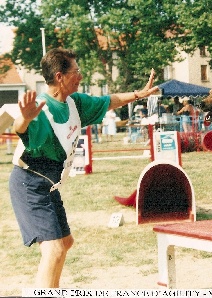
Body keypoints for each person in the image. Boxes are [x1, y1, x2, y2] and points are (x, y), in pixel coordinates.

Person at [9, 48, 158, 288]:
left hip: (49, 186)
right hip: (29, 184)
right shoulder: (39, 108)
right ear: (60, 76)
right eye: (76, 71)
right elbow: (21, 127)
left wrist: (138, 94)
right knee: (54, 250)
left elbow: (108, 101)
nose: (80, 76)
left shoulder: (74, 103)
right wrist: (25, 118)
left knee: (65, 243)